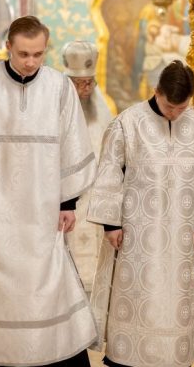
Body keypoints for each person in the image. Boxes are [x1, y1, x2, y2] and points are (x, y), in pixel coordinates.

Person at [0, 16, 97, 367]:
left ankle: (49, 356)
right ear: (8, 47)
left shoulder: (59, 87)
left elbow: (73, 145)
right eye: (24, 54)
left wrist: (68, 202)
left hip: (44, 213)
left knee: (46, 289)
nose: (31, 62)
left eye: (38, 54)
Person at [87, 60, 194, 367]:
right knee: (141, 296)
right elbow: (110, 172)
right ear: (157, 91)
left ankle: (176, 357)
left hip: (181, 233)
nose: (175, 114)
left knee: (176, 298)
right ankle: (129, 358)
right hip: (137, 234)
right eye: (169, 106)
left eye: (182, 107)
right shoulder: (128, 123)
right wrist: (111, 224)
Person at [60, 39, 114, 291]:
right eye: (78, 83)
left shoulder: (104, 116)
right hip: (66, 202)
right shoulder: (54, 112)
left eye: (89, 83)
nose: (84, 89)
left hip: (96, 204)